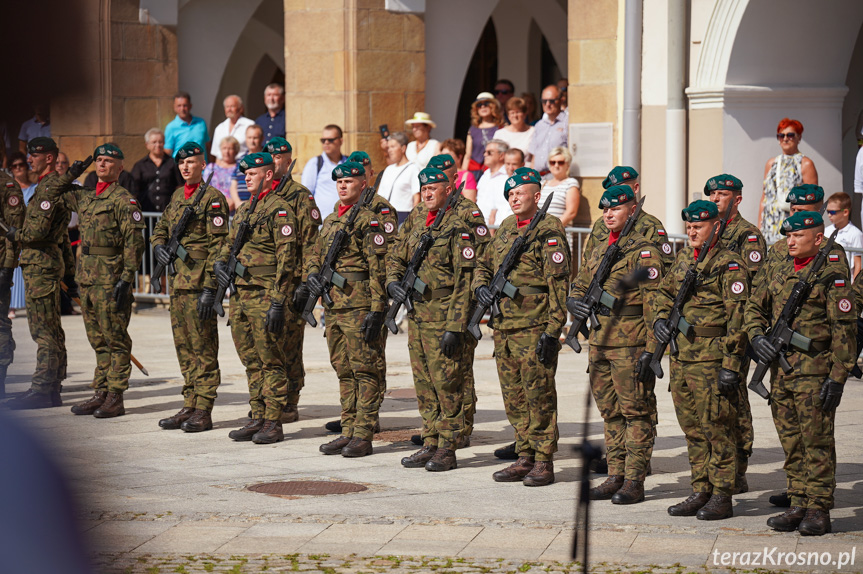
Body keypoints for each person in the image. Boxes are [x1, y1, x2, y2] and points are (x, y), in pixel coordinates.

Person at [744, 211, 855, 536]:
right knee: (791, 442)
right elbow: (753, 306)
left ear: (818, 238)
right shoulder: (778, 266)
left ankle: (819, 510)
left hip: (815, 371)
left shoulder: (831, 274)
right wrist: (757, 337)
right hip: (781, 372)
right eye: (788, 236)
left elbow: (844, 331)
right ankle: (798, 501)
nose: (790, 241)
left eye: (798, 236)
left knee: (816, 442)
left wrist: (837, 377)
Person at [568, 185, 665, 504]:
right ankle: (616, 473)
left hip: (632, 342)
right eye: (605, 209)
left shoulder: (644, 251)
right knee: (610, 412)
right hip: (600, 341)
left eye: (616, 209)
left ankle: (635, 480)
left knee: (635, 411)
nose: (608, 214)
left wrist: (652, 350)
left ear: (632, 209)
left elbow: (656, 303)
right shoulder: (599, 247)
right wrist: (575, 302)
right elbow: (581, 282)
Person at [652, 200, 748, 520]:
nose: (692, 231)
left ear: (716, 227)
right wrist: (659, 320)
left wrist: (732, 365)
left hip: (712, 358)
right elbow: (663, 295)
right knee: (692, 429)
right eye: (689, 226)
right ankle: (701, 488)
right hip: (682, 357)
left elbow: (739, 320)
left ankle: (722, 494)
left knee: (717, 428)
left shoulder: (729, 264)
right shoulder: (683, 258)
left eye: (699, 226)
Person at [474, 168, 569, 486]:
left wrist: (553, 329)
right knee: (513, 394)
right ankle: (525, 454)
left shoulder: (548, 228)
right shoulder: (505, 227)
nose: (514, 198)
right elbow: (483, 264)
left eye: (520, 193)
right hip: (504, 326)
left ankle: (543, 460)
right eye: (510, 194)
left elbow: (558, 283)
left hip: (534, 324)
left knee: (538, 393)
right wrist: (481, 287)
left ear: (537, 196)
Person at [387, 167, 476, 471]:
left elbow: (466, 281)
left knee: (447, 382)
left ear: (448, 190)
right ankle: (431, 440)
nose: (427, 193)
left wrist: (455, 325)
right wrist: (392, 282)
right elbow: (395, 256)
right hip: (418, 314)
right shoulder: (414, 220)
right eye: (423, 188)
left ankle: (448, 447)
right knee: (424, 382)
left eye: (434, 188)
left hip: (444, 314)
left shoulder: (458, 227)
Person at [304, 161, 388, 458]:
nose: (342, 185)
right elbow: (315, 254)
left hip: (359, 304)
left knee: (365, 369)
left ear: (363, 184)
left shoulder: (369, 221)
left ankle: (363, 434)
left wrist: (378, 309)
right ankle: (348, 429)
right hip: (334, 305)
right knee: (343, 368)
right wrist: (313, 274)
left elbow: (379, 268)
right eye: (338, 181)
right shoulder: (329, 220)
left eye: (349, 181)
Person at [215, 152, 299, 445]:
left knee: (271, 360)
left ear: (267, 175)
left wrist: (278, 301)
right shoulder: (245, 210)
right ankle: (258, 414)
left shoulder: (280, 210)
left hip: (265, 295)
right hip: (240, 295)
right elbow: (229, 244)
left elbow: (287, 259)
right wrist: (220, 262)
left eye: (252, 173)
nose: (246, 176)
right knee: (250, 359)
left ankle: (274, 421)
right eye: (244, 173)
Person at [62, 144, 145, 419]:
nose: (101, 164)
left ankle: (116, 395)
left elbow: (135, 243)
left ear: (120, 167)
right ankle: (101, 390)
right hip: (86, 278)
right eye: (98, 160)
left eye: (108, 161)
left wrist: (126, 279)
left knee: (115, 338)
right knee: (97, 338)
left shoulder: (124, 200)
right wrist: (68, 175)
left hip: (110, 280)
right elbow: (52, 193)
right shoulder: (85, 197)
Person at [151, 142, 228, 432]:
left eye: (191, 162)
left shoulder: (213, 199)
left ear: (203, 164)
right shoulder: (176, 197)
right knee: (184, 347)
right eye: (181, 162)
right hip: (179, 285)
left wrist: (210, 288)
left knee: (203, 347)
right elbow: (160, 228)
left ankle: (204, 409)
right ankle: (190, 402)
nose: (185, 167)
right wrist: (158, 245)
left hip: (198, 286)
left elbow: (220, 246)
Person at [3, 138, 72, 409]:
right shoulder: (49, 186)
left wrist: (14, 233)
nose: (30, 159)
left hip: (41, 267)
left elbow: (38, 233)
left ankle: (43, 388)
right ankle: (52, 387)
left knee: (43, 331)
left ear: (50, 158)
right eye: (30, 154)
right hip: (44, 266)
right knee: (52, 330)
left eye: (35, 155)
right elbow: (63, 237)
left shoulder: (49, 189)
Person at [267, 137, 322, 424]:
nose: (274, 160)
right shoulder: (260, 196)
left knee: (289, 342)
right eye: (270, 156)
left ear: (289, 161)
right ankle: (269, 397)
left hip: (291, 282)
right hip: (266, 281)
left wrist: (305, 281)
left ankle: (289, 398)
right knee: (267, 342)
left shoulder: (300, 196)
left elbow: (312, 243)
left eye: (279, 156)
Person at [583, 167, 673, 268]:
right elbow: (587, 260)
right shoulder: (601, 224)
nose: (616, 193)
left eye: (621, 187)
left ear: (635, 188)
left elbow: (663, 267)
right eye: (612, 189)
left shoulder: (651, 225)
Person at [760, 118, 818, 244]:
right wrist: (760, 226)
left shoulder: (805, 163)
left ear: (799, 137)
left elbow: (812, 202)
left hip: (793, 225)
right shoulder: (771, 163)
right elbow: (764, 198)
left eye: (790, 135)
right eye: (781, 136)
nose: (785, 139)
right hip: (770, 225)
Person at [0, 170, 25, 397]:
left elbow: (13, 232)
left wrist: (7, 268)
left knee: (0, 326)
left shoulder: (7, 185)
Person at [301, 125, 347, 221]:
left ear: (341, 141)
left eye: (330, 140)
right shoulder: (315, 163)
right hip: (322, 226)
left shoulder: (349, 163)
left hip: (347, 222)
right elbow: (305, 196)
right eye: (323, 140)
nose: (326, 143)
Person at [131, 128, 181, 213]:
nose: (157, 145)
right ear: (147, 145)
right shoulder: (139, 165)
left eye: (160, 142)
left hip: (168, 212)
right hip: (146, 212)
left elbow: (180, 186)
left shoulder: (173, 163)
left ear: (164, 143)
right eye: (154, 142)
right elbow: (134, 190)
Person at [376, 131, 419, 223]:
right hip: (385, 215)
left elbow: (417, 197)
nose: (389, 150)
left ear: (403, 148)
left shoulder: (413, 168)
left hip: (403, 215)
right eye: (388, 147)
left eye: (393, 147)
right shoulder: (388, 169)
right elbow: (380, 196)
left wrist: (414, 220)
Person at [526, 85, 568, 176]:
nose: (548, 104)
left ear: (561, 100)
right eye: (544, 101)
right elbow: (534, 156)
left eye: (552, 101)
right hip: (538, 177)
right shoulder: (539, 125)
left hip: (557, 177)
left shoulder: (567, 123)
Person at [463, 93, 505, 177]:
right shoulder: (472, 129)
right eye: (479, 105)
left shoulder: (501, 128)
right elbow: (468, 155)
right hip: (473, 170)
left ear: (493, 106)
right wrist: (463, 175)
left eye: (486, 104)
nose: (483, 107)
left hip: (493, 170)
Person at [539, 146, 581, 226]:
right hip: (539, 233)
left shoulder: (571, 183)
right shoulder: (542, 184)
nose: (556, 165)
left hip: (556, 233)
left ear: (567, 165)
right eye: (553, 162)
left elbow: (571, 212)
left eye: (560, 162)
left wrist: (553, 228)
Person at [824, 192, 863, 278]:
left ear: (845, 212)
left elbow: (858, 264)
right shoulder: (826, 231)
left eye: (833, 212)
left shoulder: (856, 234)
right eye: (828, 211)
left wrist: (854, 287)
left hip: (846, 281)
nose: (829, 215)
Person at [229, 124, 265, 207]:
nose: (252, 141)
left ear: (262, 138)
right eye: (249, 137)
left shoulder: (267, 159)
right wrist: (237, 202)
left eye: (255, 138)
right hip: (240, 207)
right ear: (246, 138)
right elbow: (233, 184)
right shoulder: (240, 160)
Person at [211, 95, 255, 161]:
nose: (229, 109)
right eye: (227, 107)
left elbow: (254, 149)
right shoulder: (219, 128)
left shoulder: (249, 125)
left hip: (243, 166)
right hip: (223, 167)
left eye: (232, 106)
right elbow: (216, 154)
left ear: (240, 108)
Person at [475, 139, 508, 224]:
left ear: (501, 156)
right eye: (485, 152)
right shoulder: (485, 175)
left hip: (498, 228)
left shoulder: (507, 177)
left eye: (489, 152)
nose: (485, 154)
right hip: (480, 225)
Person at [203, 136, 239, 209]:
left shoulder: (238, 169)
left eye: (230, 148)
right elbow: (204, 188)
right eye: (224, 148)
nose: (227, 152)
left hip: (231, 208)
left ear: (236, 151)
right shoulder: (211, 168)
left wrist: (233, 201)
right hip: (211, 206)